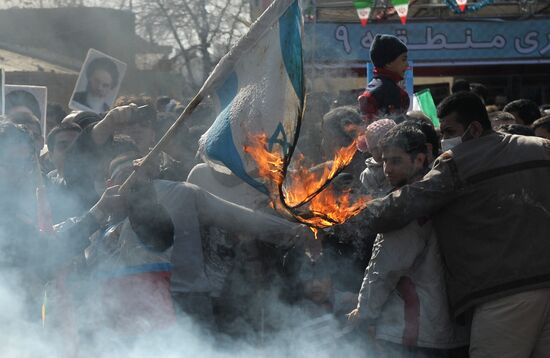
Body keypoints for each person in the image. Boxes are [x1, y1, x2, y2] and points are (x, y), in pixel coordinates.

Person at [354, 91, 550, 358]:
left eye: (449, 131)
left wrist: (349, 214)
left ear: (475, 128)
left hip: (504, 293)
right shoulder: (539, 147)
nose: (445, 139)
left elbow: (408, 202)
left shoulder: (458, 161)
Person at [348, 123, 468, 357]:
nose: (387, 169)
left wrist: (364, 313)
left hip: (413, 332)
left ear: (419, 160)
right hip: (449, 329)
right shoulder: (441, 193)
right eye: (383, 161)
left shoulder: (406, 208)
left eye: (395, 161)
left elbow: (385, 269)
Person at [358, 34, 409, 123]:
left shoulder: (373, 86)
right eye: (403, 59)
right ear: (388, 63)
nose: (407, 65)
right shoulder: (392, 92)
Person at [359, 119, 395, 198]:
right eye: (373, 149)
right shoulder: (367, 175)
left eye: (382, 147)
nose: (378, 152)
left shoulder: (404, 163)